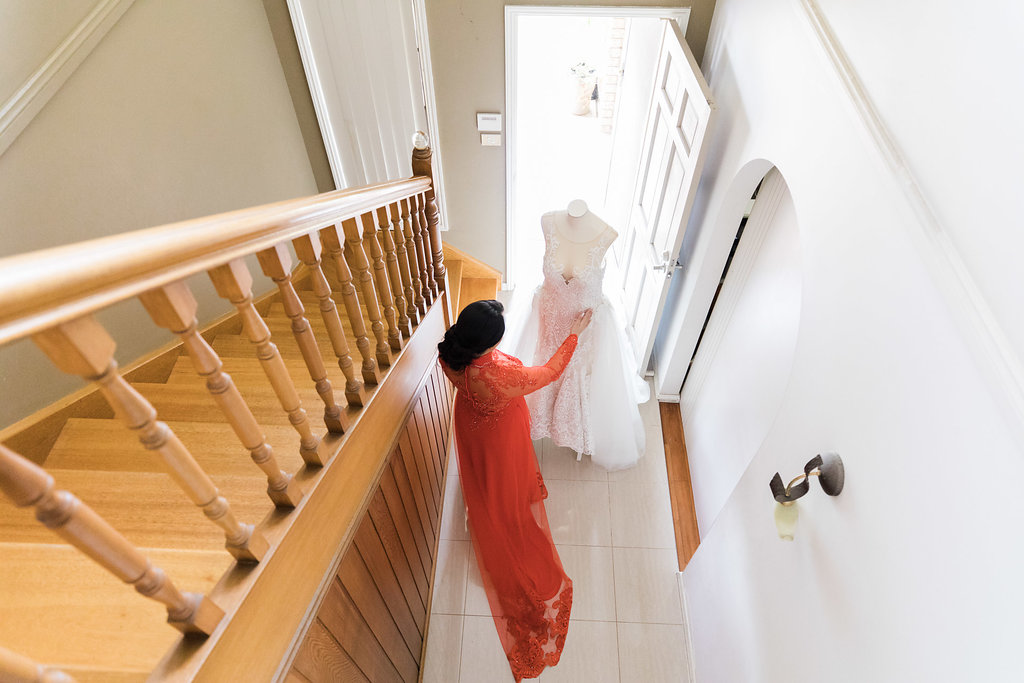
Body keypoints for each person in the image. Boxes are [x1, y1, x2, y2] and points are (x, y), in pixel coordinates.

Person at [438, 299, 592, 682]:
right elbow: (550, 372)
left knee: (485, 478)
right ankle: (505, 510)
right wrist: (574, 334)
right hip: (498, 434)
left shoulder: (451, 353)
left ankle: (493, 502)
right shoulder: (499, 376)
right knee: (505, 479)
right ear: (488, 343)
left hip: (471, 422)